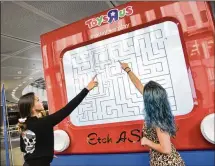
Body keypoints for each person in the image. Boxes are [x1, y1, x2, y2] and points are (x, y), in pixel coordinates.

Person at [17, 75, 98, 166]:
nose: (41, 102)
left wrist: (43, 153)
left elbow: (24, 148)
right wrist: (87, 89)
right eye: (38, 100)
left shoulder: (24, 124)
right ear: (32, 108)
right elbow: (68, 109)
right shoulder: (44, 122)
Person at [119, 61, 185, 166]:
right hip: (161, 161)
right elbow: (138, 85)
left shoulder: (158, 120)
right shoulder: (159, 110)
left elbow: (166, 149)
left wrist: (147, 141)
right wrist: (128, 70)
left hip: (166, 163)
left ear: (149, 101)